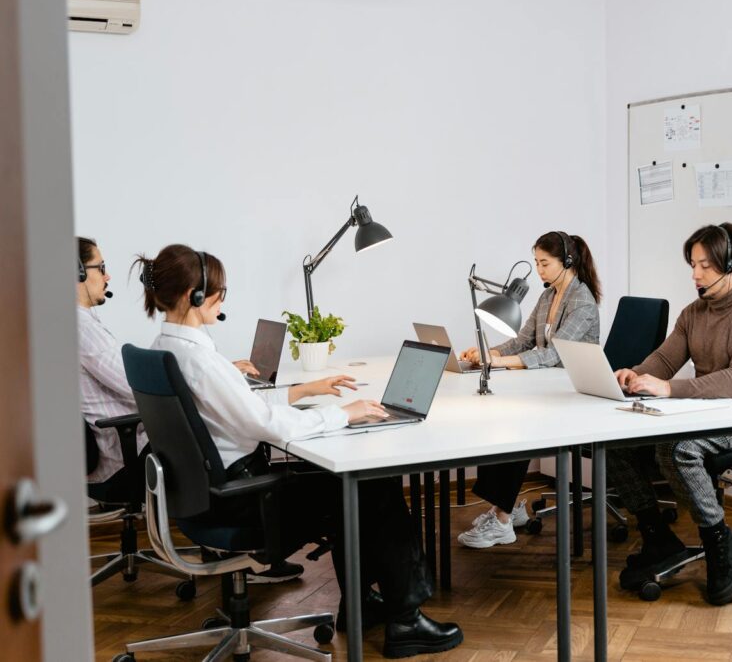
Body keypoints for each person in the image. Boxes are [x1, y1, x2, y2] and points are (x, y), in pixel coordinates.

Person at [134, 244, 462, 657]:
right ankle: (406, 620)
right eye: (219, 291)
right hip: (242, 503)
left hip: (206, 496)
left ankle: (361, 606)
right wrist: (341, 415)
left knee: (345, 481)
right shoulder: (199, 359)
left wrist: (304, 394)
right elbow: (262, 424)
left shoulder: (166, 347)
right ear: (193, 296)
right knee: (370, 484)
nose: (222, 298)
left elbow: (246, 408)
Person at [76, 237, 303, 584]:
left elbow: (160, 376)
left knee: (220, 427)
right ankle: (252, 555)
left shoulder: (142, 341)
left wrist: (220, 374)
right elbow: (138, 380)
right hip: (123, 455)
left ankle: (239, 557)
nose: (107, 276)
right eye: (100, 267)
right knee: (233, 434)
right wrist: (211, 374)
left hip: (148, 461)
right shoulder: (80, 327)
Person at [609, 223, 732, 606]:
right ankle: (657, 536)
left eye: (705, 266)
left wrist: (669, 388)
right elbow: (665, 359)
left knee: (678, 449)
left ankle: (719, 539)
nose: (695, 274)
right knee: (615, 442)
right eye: (693, 264)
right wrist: (636, 375)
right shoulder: (694, 312)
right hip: (705, 414)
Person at [456, 231, 601, 549]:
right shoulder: (549, 296)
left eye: (545, 263)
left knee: (515, 425)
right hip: (546, 388)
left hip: (574, 394)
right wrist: (488, 354)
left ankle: (503, 520)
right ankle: (503, 508)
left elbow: (554, 354)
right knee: (498, 413)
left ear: (567, 261)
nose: (539, 270)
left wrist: (501, 363)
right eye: (536, 262)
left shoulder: (583, 302)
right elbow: (522, 341)